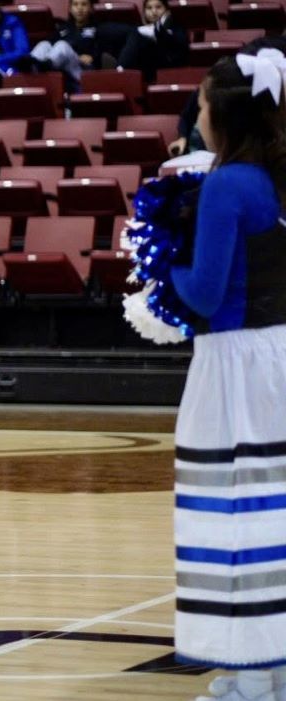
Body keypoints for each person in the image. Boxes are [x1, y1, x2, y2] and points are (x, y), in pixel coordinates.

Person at [164, 49, 286, 701]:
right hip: (279, 352)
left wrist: (158, 273)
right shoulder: (273, 174)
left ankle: (249, 673)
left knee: (233, 511)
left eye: (204, 104)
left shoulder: (228, 184)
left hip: (235, 361)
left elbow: (205, 294)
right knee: (275, 510)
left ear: (224, 115)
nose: (198, 113)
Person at [29, 0, 112, 91]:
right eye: (75, 5)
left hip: (83, 71)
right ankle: (30, 66)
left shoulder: (98, 29)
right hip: (61, 69)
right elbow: (50, 45)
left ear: (91, 8)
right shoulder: (63, 28)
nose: (79, 8)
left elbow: (102, 52)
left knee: (62, 45)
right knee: (44, 44)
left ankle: (47, 65)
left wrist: (93, 57)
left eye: (84, 4)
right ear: (70, 9)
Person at [118, 0, 189, 82]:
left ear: (167, 10)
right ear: (144, 12)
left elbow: (181, 51)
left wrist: (161, 30)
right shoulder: (138, 32)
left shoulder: (177, 28)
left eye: (158, 7)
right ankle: (120, 72)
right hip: (146, 73)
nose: (154, 12)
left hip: (170, 69)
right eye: (149, 8)